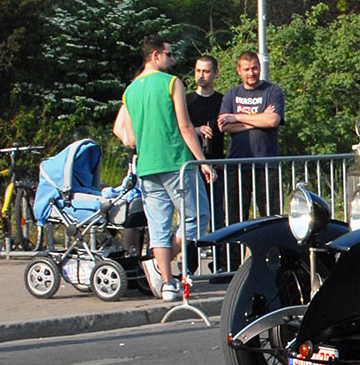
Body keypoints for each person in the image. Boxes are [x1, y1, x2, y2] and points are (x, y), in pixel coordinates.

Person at [112, 37, 216, 301]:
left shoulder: (131, 90)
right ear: (156, 55)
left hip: (147, 165)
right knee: (198, 216)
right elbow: (184, 126)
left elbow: (125, 135)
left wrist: (144, 139)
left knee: (158, 225)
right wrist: (202, 161)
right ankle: (166, 260)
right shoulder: (172, 83)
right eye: (169, 55)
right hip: (176, 162)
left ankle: (167, 283)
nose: (172, 60)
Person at [218, 51, 285, 223]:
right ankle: (235, 251)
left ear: (260, 68)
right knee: (235, 219)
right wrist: (259, 117)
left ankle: (271, 250)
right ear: (238, 71)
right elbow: (223, 125)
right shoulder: (231, 94)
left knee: (271, 217)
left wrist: (238, 117)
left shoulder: (273, 90)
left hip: (267, 163)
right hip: (237, 164)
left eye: (254, 68)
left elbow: (272, 121)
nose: (251, 73)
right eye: (246, 69)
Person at [184, 55, 225, 231]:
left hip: (216, 162)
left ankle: (219, 255)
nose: (201, 75)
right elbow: (177, 128)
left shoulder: (223, 100)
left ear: (215, 73)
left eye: (206, 71)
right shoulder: (186, 101)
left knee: (218, 213)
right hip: (191, 164)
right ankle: (192, 254)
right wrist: (196, 130)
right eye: (198, 71)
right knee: (193, 212)